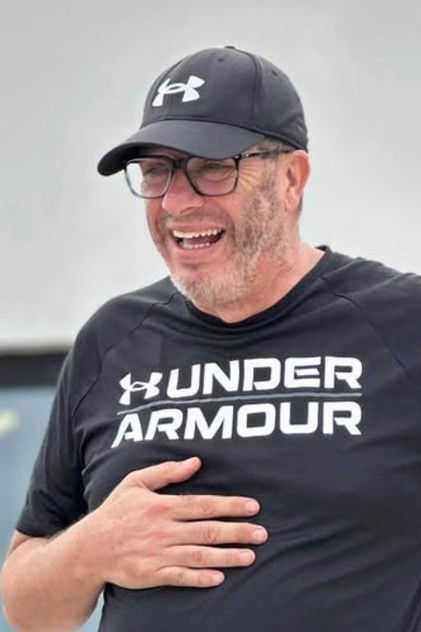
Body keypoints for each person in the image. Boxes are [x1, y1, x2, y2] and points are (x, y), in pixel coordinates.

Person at [2, 45, 421, 632]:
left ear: (291, 178)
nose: (176, 201)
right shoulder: (111, 340)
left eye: (212, 166)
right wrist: (93, 548)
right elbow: (27, 609)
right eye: (156, 171)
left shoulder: (402, 324)